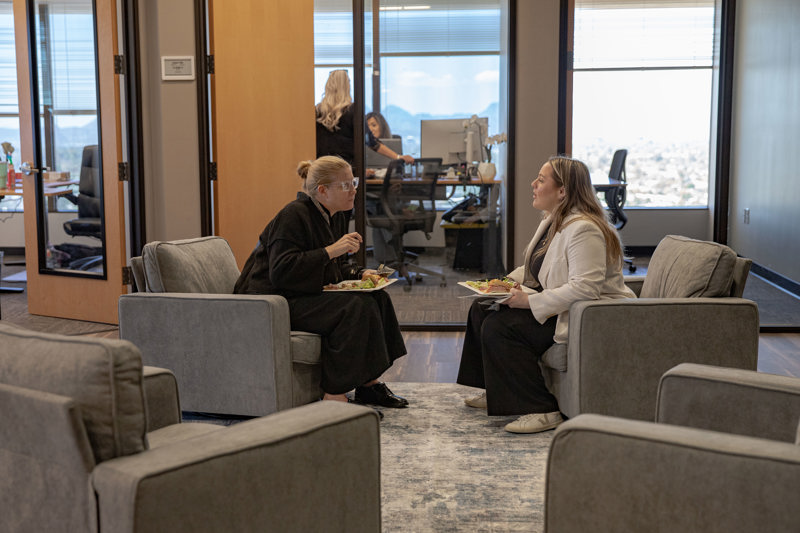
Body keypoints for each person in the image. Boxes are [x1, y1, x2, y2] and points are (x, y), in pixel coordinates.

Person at [456, 155, 635, 434]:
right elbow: (535, 269)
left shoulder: (584, 229)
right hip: (561, 305)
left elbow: (585, 289)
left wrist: (528, 302)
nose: (533, 184)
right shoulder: (554, 220)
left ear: (562, 191)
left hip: (583, 315)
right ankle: (495, 389)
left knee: (501, 327)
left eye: (541, 180)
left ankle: (543, 408)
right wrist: (498, 284)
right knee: (482, 307)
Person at [234, 155, 409, 411]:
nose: (354, 190)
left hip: (298, 293)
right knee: (353, 308)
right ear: (322, 191)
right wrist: (331, 251)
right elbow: (281, 272)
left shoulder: (334, 215)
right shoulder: (293, 215)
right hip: (270, 302)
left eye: (354, 182)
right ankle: (334, 396)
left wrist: (359, 273)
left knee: (376, 297)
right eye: (346, 185)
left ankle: (369, 385)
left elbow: (332, 266)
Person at [316, 70, 413, 165]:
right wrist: (398, 157)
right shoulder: (353, 110)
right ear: (346, 86)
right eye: (349, 82)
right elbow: (371, 142)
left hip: (323, 167)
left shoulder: (318, 111)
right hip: (346, 168)